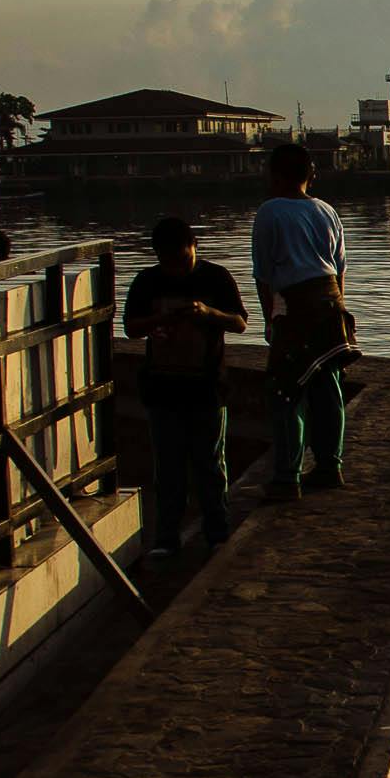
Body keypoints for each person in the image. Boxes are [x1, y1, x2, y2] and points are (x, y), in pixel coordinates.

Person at [121, 215, 248, 557]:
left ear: (195, 248)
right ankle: (167, 538)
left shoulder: (216, 277)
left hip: (207, 387)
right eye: (170, 263)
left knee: (210, 464)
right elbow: (131, 327)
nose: (177, 269)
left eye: (183, 260)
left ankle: (217, 533)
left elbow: (239, 322)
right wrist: (160, 321)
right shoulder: (147, 281)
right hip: (162, 388)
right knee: (168, 468)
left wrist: (208, 313)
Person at [250, 139, 356, 499]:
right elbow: (339, 270)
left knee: (286, 390)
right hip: (331, 304)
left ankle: (287, 476)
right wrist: (339, 308)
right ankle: (330, 465)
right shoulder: (327, 211)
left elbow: (263, 274)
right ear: (311, 175)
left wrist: (270, 320)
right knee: (329, 388)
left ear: (275, 175)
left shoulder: (270, 212)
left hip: (297, 307)